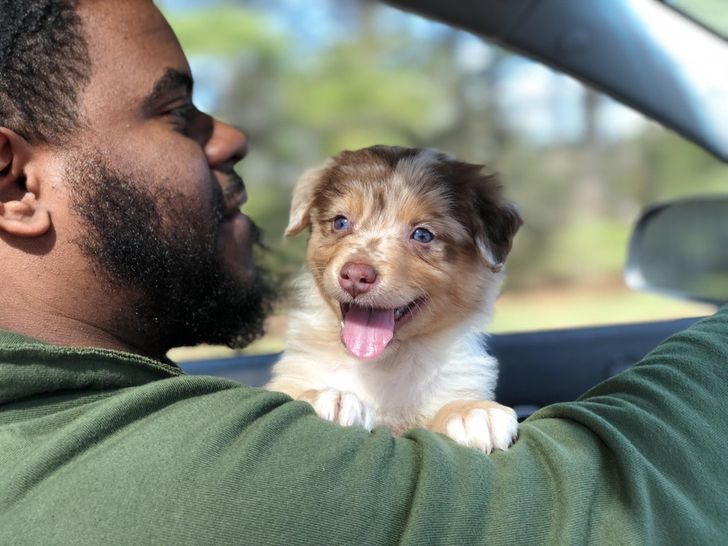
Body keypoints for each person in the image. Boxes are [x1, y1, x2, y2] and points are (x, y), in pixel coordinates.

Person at [0, 1, 726, 543]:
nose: (232, 136)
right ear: (14, 184)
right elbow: (601, 507)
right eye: (176, 111)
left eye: (420, 234)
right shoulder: (213, 480)